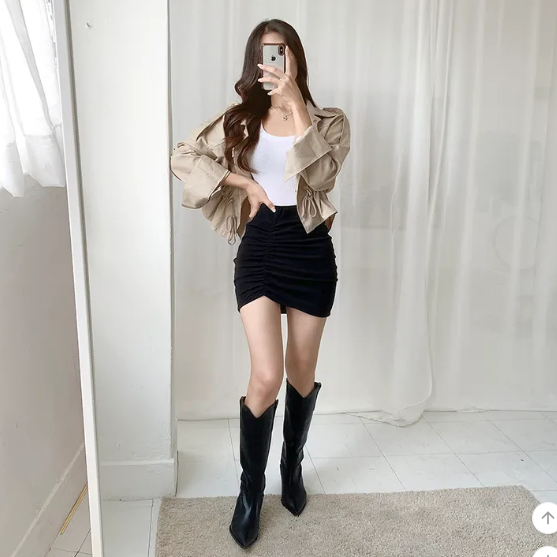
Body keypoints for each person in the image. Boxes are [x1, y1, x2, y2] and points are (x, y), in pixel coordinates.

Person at [171, 18, 350, 549]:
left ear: (296, 57)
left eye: (284, 52)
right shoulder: (240, 119)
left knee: (301, 374)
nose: (275, 62)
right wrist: (241, 181)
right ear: (256, 61)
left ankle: (291, 465)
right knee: (267, 376)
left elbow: (321, 177)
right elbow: (182, 156)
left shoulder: (329, 121)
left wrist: (296, 106)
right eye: (267, 53)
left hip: (310, 248)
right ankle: (251, 489)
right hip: (262, 247)